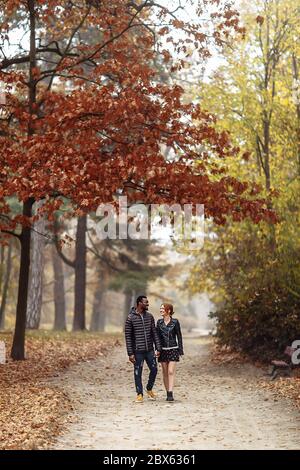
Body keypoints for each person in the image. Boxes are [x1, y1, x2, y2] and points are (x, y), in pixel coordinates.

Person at [125, 295, 161, 403]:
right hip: (137, 351)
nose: (148, 304)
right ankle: (139, 394)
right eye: (146, 302)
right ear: (139, 303)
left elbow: (154, 333)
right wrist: (130, 353)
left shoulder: (149, 316)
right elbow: (128, 337)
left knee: (154, 370)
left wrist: (158, 348)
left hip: (149, 350)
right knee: (137, 372)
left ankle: (149, 389)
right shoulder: (130, 318)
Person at [156, 303, 184, 402]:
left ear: (168, 311)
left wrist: (180, 350)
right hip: (163, 350)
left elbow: (179, 336)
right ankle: (167, 392)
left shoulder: (175, 322)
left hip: (173, 349)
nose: (161, 310)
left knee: (170, 371)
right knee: (165, 372)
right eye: (160, 308)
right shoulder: (159, 322)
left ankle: (171, 392)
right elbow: (157, 338)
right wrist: (157, 349)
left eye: (163, 309)